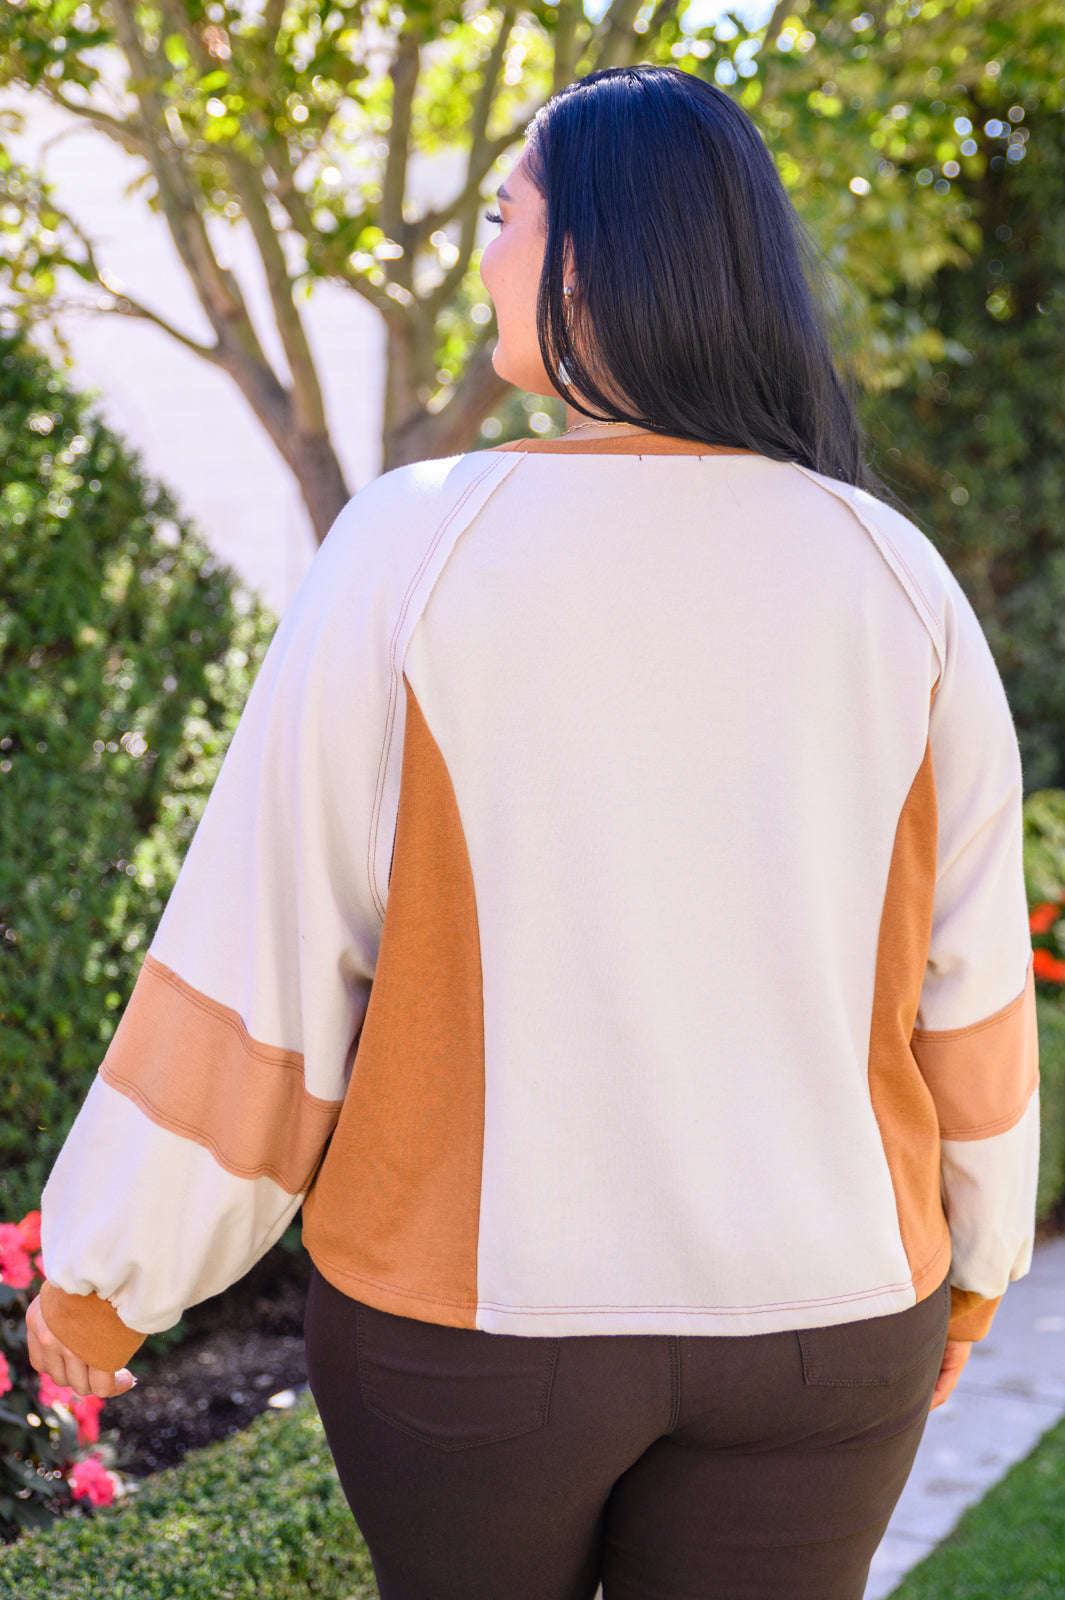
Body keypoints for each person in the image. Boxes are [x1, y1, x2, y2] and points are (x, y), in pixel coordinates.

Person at [28, 66, 1037, 1600]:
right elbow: (971, 991)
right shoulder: (894, 578)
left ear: (584, 261)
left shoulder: (413, 546)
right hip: (830, 1321)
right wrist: (977, 1265)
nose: (482, 253)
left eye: (504, 215)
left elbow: (269, 956)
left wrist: (108, 1278)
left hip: (476, 1336)